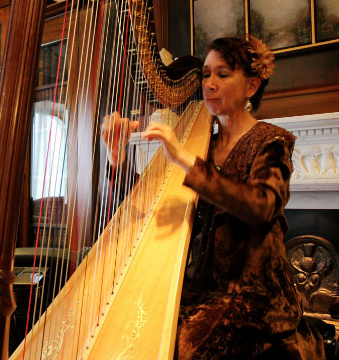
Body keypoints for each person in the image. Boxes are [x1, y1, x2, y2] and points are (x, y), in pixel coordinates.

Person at [101, 36, 326, 359]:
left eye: (223, 74)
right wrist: (117, 158)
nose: (209, 84)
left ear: (251, 85)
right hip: (203, 288)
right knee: (132, 325)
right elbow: (151, 206)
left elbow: (263, 206)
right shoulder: (199, 142)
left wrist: (184, 160)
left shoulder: (270, 141)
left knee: (186, 345)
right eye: (206, 74)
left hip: (256, 293)